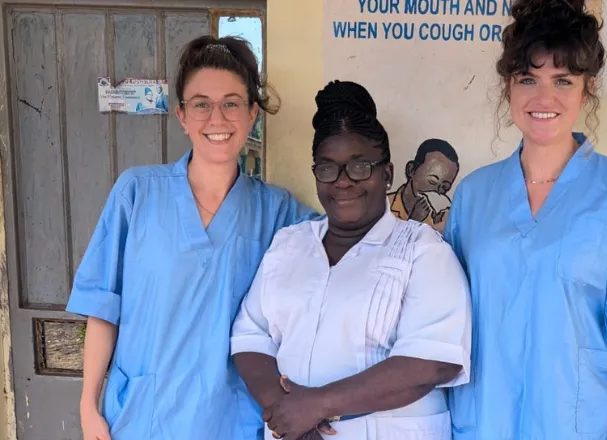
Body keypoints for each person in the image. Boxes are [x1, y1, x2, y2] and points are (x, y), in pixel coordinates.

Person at [445, 1, 607, 439]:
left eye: (563, 80)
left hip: (574, 424)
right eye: (528, 79)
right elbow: (443, 320)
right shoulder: (474, 195)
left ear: (586, 89)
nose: (543, 98)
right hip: (481, 421)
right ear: (508, 88)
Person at [67, 35, 316, 440]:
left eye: (231, 103)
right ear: (182, 115)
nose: (216, 119)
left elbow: (344, 253)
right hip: (141, 416)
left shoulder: (278, 212)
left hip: (231, 420)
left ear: (252, 113)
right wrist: (87, 406)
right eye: (201, 104)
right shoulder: (137, 193)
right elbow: (102, 307)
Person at [231, 80, 472, 440]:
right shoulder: (289, 245)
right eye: (327, 168)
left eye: (359, 167)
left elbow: (432, 362)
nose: (343, 182)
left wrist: (316, 406)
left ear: (386, 174)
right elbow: (250, 336)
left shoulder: (424, 251)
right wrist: (288, 415)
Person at [386, 138, 459, 232]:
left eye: (445, 187)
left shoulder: (444, 217)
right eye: (432, 181)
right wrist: (414, 222)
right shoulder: (382, 208)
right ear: (411, 170)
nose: (437, 192)